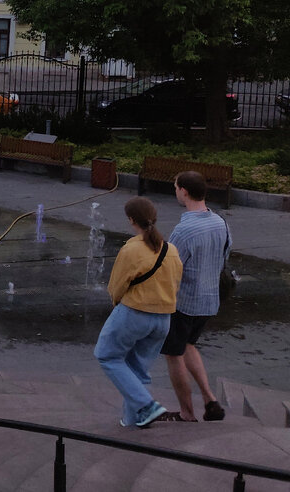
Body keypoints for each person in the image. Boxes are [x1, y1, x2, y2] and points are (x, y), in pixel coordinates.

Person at [94, 196, 183, 429]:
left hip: (135, 312)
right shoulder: (171, 249)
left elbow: (116, 286)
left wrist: (118, 307)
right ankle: (134, 420)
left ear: (131, 220)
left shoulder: (132, 249)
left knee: (107, 355)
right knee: (137, 368)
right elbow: (176, 283)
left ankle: (147, 405)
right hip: (163, 320)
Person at [159, 171, 231, 422]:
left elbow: (170, 268)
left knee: (173, 354)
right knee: (188, 345)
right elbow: (224, 257)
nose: (176, 191)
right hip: (209, 301)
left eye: (176, 187)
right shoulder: (220, 222)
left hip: (184, 303)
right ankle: (210, 400)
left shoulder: (184, 230)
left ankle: (187, 413)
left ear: (184, 192)